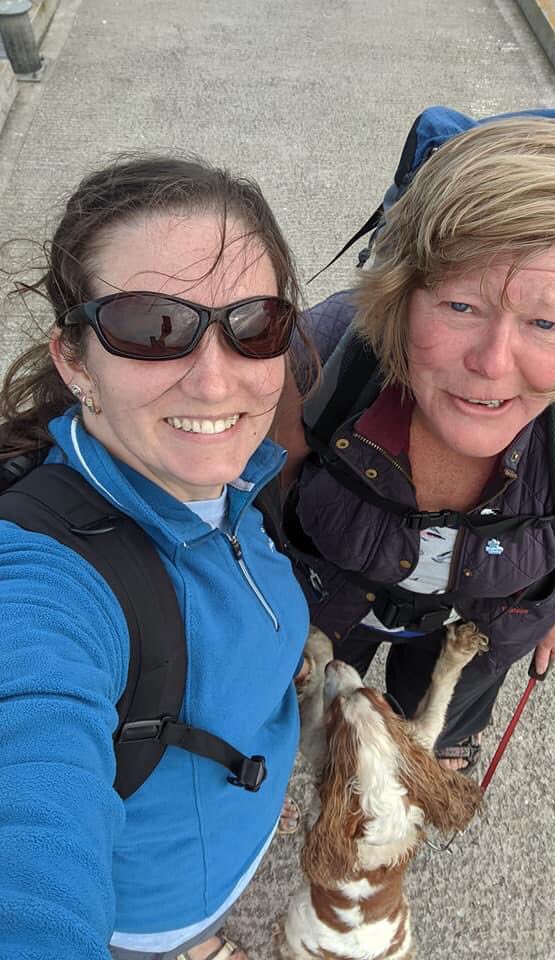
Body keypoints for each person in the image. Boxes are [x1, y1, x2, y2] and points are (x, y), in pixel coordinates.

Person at [278, 114, 555, 774]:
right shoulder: (316, 364)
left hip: (487, 619)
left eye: (545, 322)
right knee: (305, 706)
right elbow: (271, 490)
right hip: (331, 592)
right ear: (401, 293)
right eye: (461, 305)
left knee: (441, 722)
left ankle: (446, 743)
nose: (493, 363)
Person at [0, 157, 311, 960]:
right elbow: (30, 824)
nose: (214, 382)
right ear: (74, 360)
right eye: (150, 326)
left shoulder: (236, 476)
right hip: (150, 909)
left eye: (254, 325)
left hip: (221, 833)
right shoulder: (44, 585)